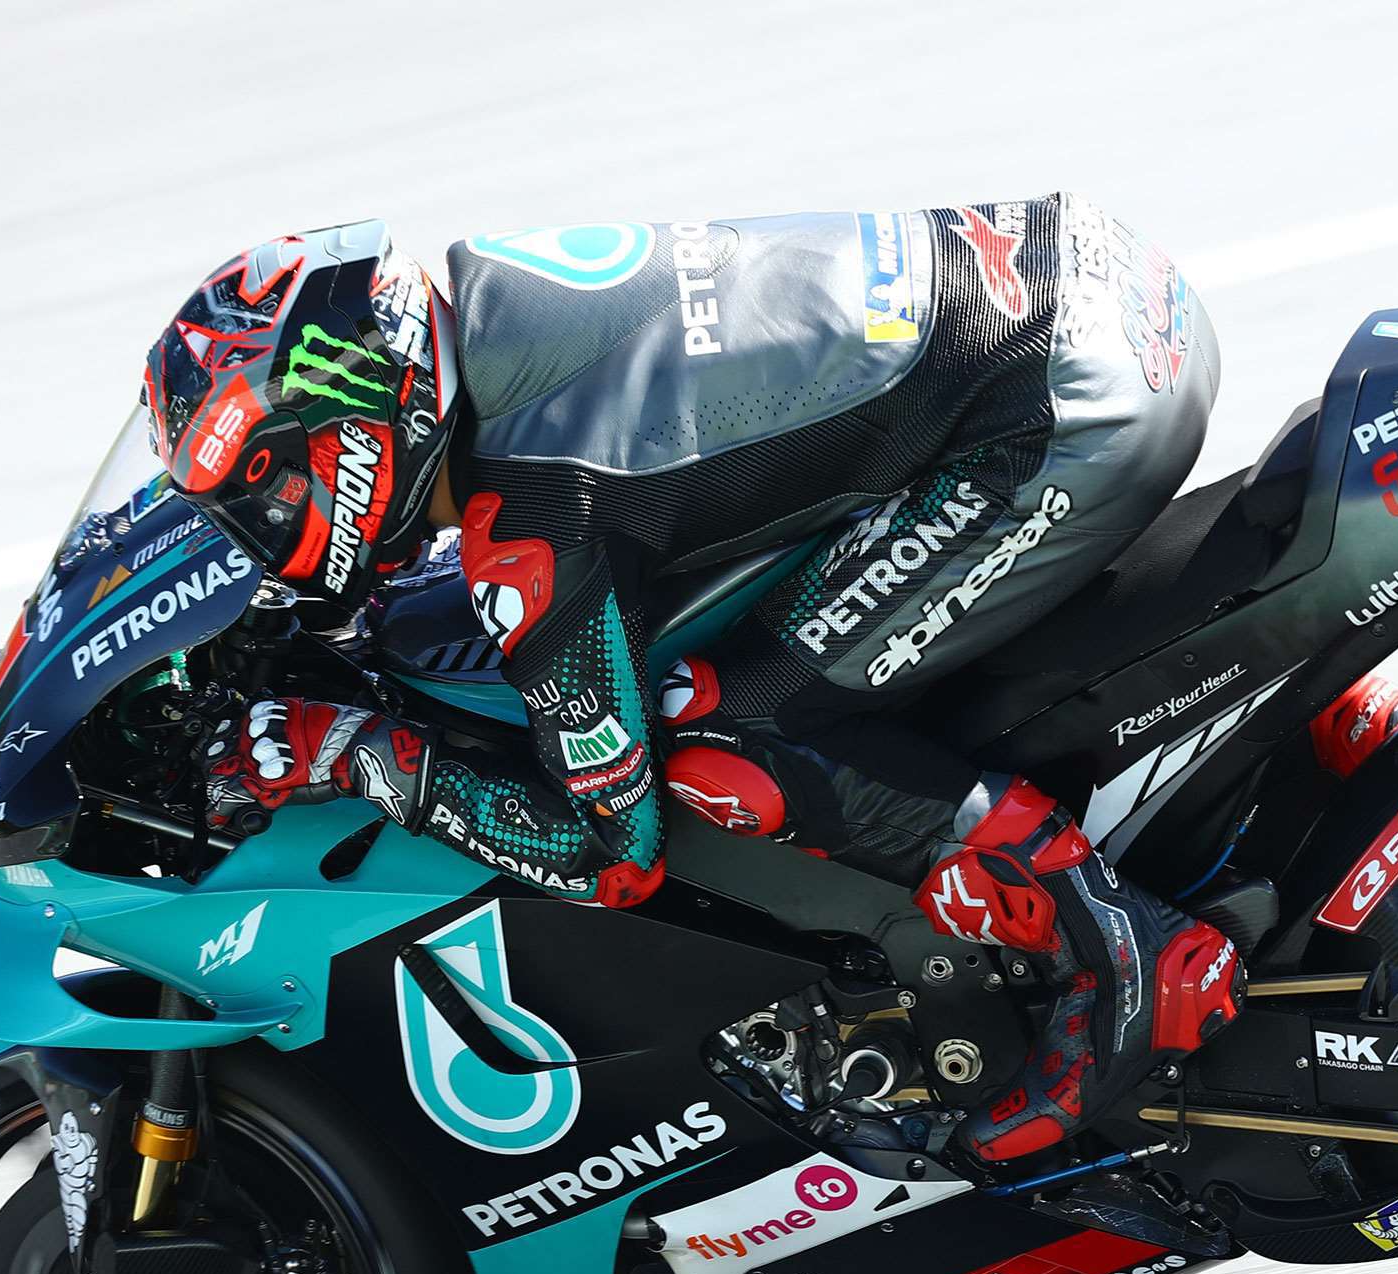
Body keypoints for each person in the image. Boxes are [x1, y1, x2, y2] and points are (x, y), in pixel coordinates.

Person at [142, 201, 1242, 1162]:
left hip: (1065, 413)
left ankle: (1118, 951)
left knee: (726, 734)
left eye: (264, 489)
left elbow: (607, 857)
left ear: (347, 428)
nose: (260, 527)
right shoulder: (492, 301)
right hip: (1091, 276)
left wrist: (349, 750)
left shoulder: (534, 509)